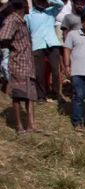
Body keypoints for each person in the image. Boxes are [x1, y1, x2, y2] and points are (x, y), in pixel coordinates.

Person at [0, 0, 37, 133]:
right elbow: (3, 38)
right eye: (27, 5)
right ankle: (19, 126)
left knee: (30, 95)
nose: (29, 7)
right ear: (23, 6)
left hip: (28, 63)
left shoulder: (22, 21)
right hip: (18, 63)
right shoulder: (12, 20)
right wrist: (13, 48)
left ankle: (31, 125)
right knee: (17, 95)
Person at [25, 0, 64, 103]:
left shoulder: (50, 12)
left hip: (52, 43)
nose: (40, 3)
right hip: (38, 45)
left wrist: (48, 1)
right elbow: (27, 32)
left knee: (56, 71)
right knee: (39, 72)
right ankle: (41, 95)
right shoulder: (29, 16)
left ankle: (55, 93)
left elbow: (60, 4)